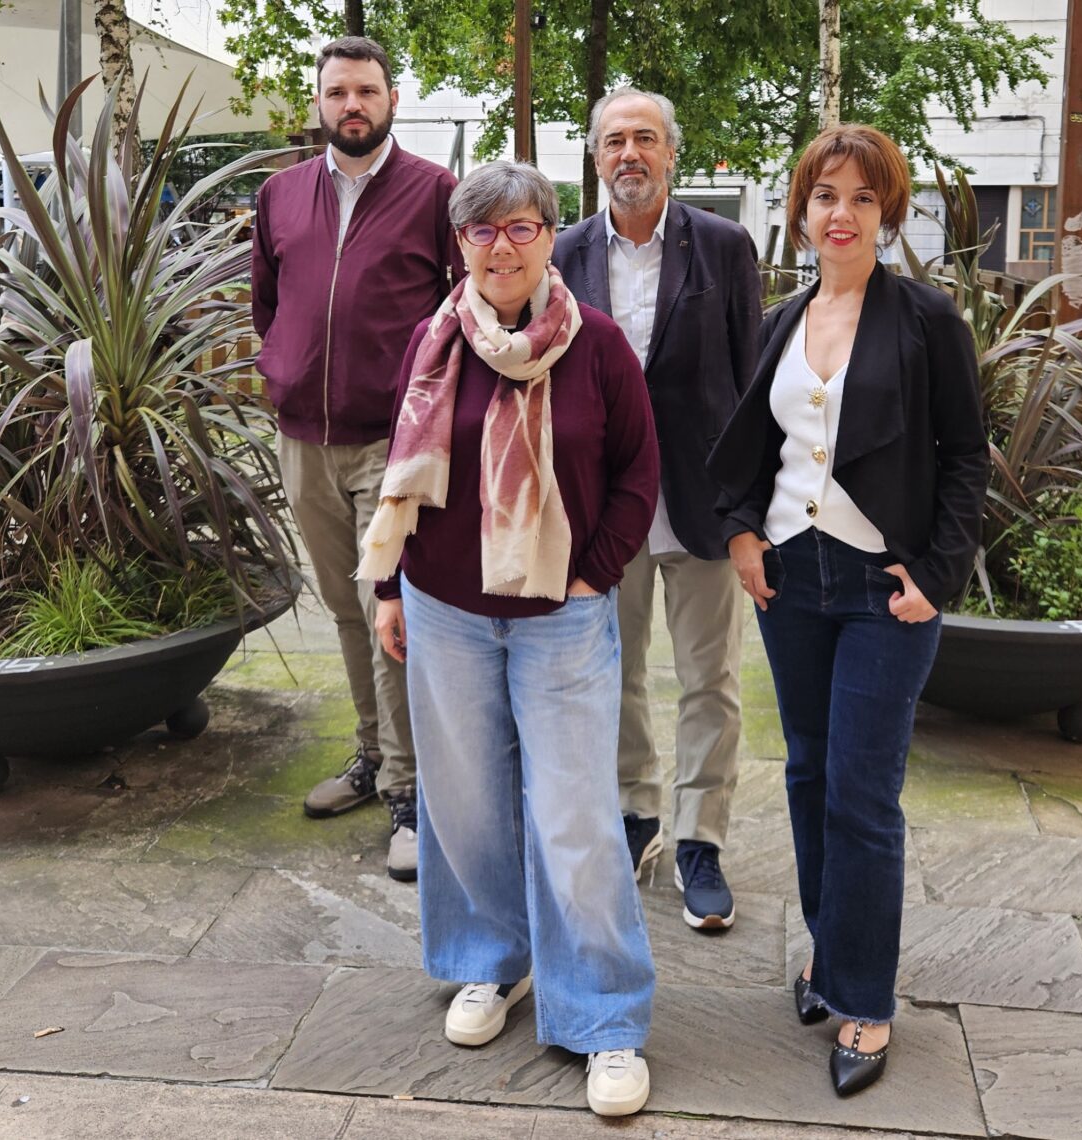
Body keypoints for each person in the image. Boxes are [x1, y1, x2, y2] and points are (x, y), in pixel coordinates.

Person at [357, 161, 659, 1117]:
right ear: (461, 243)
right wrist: (389, 586)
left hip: (560, 618)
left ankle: (604, 1014)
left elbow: (639, 474)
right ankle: (493, 962)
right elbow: (400, 472)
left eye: (521, 227)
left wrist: (591, 574)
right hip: (444, 608)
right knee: (466, 804)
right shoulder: (434, 338)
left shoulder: (597, 344)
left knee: (575, 816)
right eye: (482, 231)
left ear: (549, 237)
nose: (501, 247)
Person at [707, 124, 988, 1096]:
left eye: (864, 198)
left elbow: (965, 457)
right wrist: (742, 534)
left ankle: (865, 999)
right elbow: (753, 446)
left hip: (883, 588)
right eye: (826, 195)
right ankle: (831, 951)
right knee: (808, 773)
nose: (843, 213)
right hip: (793, 578)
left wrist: (937, 575)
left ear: (887, 213)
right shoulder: (780, 320)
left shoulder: (925, 320)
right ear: (802, 210)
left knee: (862, 795)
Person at [251, 36, 462, 882]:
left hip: (390, 442)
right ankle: (372, 754)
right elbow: (267, 304)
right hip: (304, 439)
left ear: (391, 99)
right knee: (345, 610)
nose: (351, 105)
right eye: (337, 91)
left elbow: (458, 311)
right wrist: (281, 373)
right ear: (319, 101)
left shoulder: (435, 192)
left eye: (366, 91)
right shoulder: (279, 195)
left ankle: (410, 793)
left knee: (390, 611)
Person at [554, 87, 761, 932]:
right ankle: (634, 814)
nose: (630, 153)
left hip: (702, 502)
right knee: (614, 672)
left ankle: (699, 839)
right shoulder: (564, 253)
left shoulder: (723, 246)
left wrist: (749, 511)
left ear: (672, 153)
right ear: (596, 157)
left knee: (711, 679)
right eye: (614, 141)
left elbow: (751, 383)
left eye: (645, 138)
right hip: (606, 508)